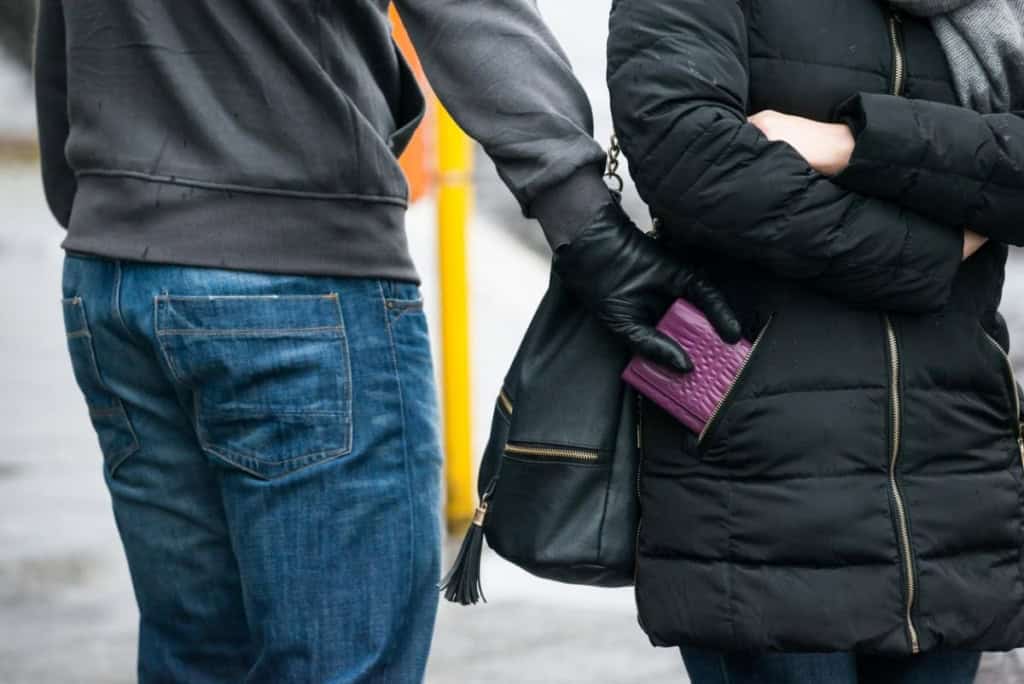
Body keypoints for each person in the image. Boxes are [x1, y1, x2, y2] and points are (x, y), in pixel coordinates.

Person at [34, 0, 738, 681]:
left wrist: (104, 215)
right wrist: (585, 221)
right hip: (298, 273)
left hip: (113, 276)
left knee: (196, 657)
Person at [607, 0, 1024, 682]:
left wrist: (852, 143)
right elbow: (689, 154)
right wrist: (931, 249)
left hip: (952, 485)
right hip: (758, 488)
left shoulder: (989, 10)